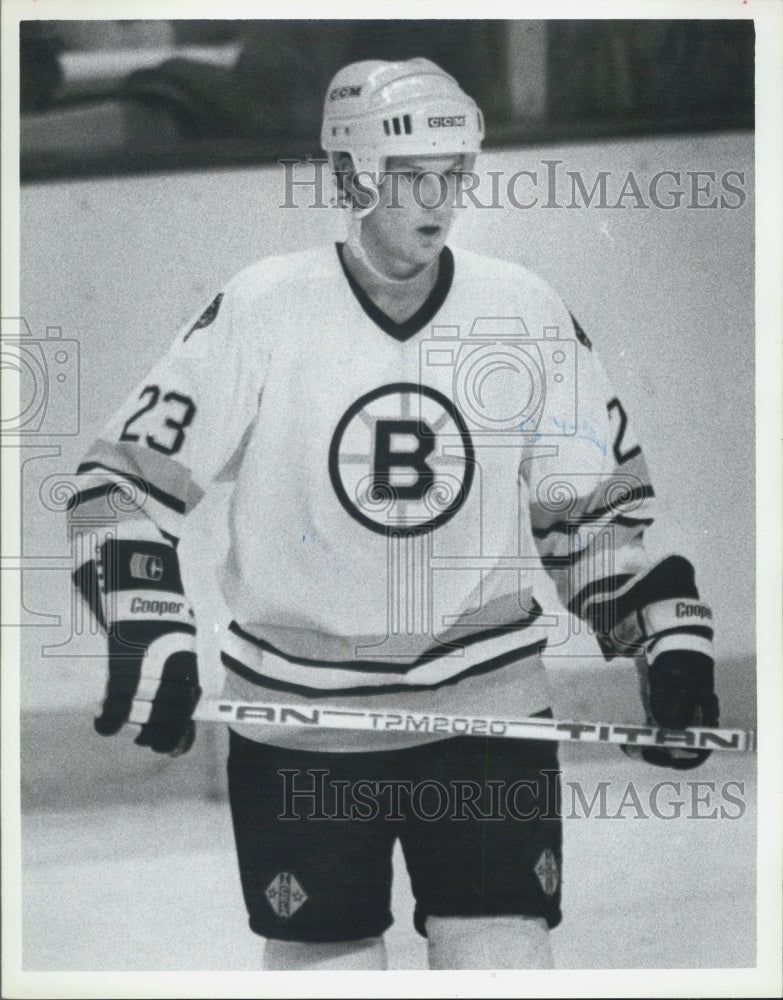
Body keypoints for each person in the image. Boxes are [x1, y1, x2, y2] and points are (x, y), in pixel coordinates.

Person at [68, 58, 719, 970]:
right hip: (300, 731)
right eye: (417, 175)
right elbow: (117, 490)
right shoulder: (263, 309)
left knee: (503, 962)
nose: (441, 199)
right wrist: (151, 629)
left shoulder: (520, 309)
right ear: (352, 177)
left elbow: (590, 522)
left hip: (488, 721)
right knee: (324, 966)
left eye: (455, 174)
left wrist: (662, 632)